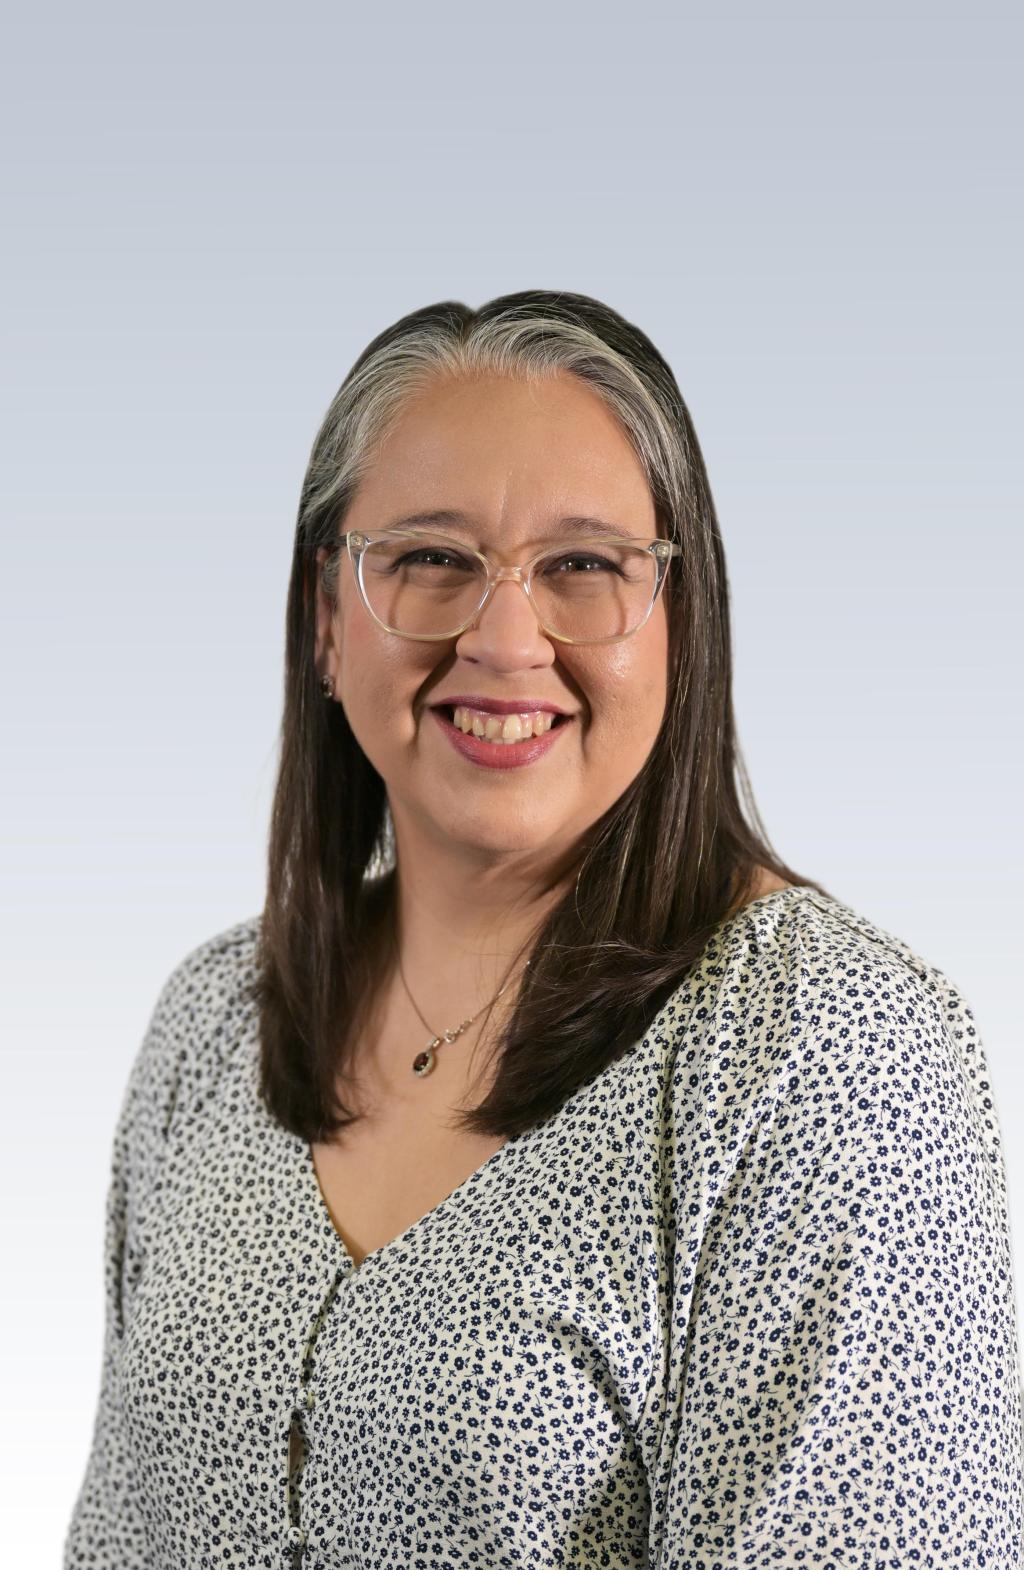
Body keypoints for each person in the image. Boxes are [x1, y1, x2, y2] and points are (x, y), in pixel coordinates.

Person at [64, 291, 1023, 1568]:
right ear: (326, 618)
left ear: (681, 620)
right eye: (430, 558)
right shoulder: (219, 1013)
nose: (504, 639)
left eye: (583, 566)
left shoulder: (830, 1051)